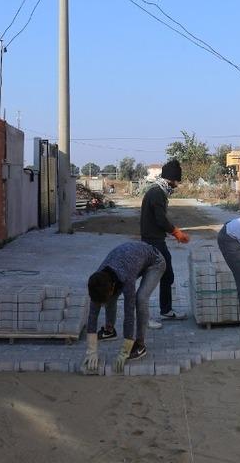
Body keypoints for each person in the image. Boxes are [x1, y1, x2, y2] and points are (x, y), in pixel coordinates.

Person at [82, 242, 166, 374]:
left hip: (155, 262)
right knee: (109, 299)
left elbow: (129, 314)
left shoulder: (127, 279)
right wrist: (91, 349)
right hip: (132, 259)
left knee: (141, 298)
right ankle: (109, 330)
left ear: (111, 288)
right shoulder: (98, 279)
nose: (101, 306)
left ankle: (140, 344)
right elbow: (93, 313)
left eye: (103, 302)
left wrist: (126, 346)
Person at [140, 159, 189, 327]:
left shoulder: (159, 192)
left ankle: (166, 310)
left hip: (156, 239)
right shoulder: (157, 193)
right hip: (153, 242)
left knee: (166, 275)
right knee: (152, 279)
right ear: (171, 179)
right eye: (176, 181)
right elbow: (160, 219)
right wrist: (176, 232)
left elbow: (160, 218)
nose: (177, 185)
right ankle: (144, 318)